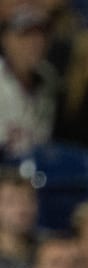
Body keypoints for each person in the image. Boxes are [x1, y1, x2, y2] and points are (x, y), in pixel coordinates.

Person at [0, 4, 58, 161]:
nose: (35, 42)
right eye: (25, 34)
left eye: (40, 34)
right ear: (6, 39)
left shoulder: (50, 78)